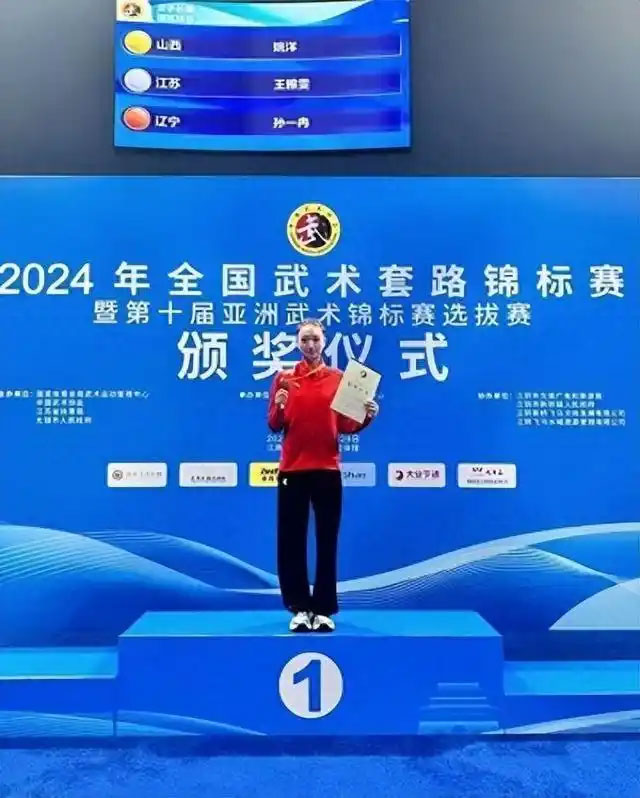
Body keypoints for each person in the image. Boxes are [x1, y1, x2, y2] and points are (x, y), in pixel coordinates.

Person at [267, 319, 379, 633]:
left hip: (327, 470)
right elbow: (274, 424)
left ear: (324, 342)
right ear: (297, 342)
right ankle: (300, 608)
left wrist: (367, 416)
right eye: (305, 339)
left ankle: (323, 609)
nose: (311, 345)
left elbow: (346, 425)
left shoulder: (338, 378)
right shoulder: (284, 378)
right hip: (292, 470)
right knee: (291, 542)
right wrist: (279, 406)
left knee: (327, 541)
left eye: (315, 339)